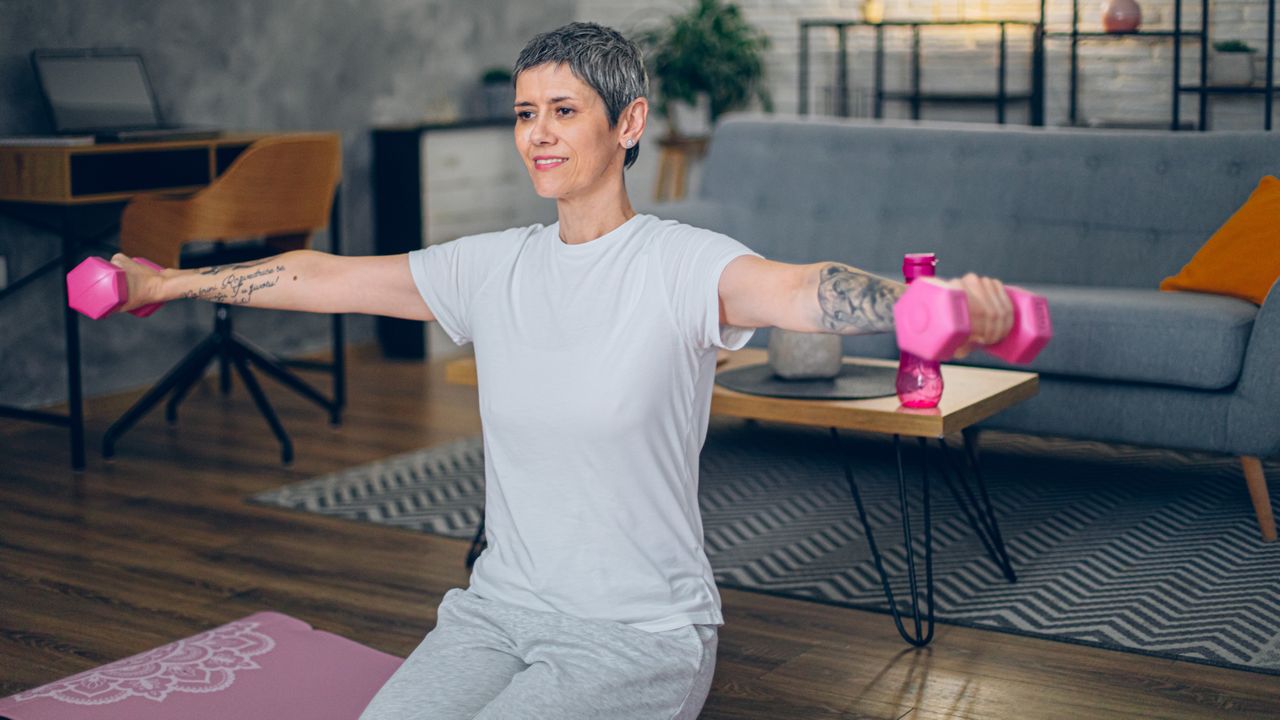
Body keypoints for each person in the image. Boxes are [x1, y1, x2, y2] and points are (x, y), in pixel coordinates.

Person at [108, 22, 1013, 720]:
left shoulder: (682, 263)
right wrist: (165, 280)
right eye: (524, 114)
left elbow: (795, 290)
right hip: (495, 611)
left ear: (629, 124)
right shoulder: (491, 265)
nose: (538, 136)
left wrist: (915, 307)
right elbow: (326, 277)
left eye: (563, 111)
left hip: (639, 635)